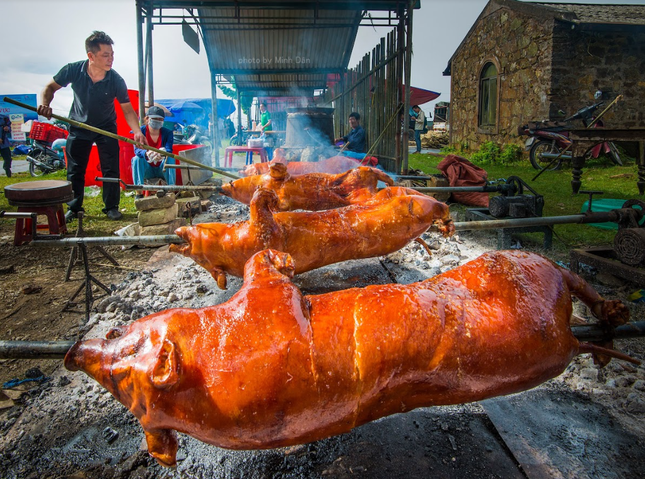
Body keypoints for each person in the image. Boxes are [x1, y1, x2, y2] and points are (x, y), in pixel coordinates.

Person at [37, 31, 146, 222]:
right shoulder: (73, 70)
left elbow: (128, 110)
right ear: (91, 56)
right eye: (105, 55)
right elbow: (49, 88)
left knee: (111, 168)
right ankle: (75, 207)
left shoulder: (116, 80)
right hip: (78, 125)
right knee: (75, 169)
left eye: (112, 54)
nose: (111, 59)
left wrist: (137, 131)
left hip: (106, 128)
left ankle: (111, 207)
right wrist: (45, 104)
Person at [131, 106, 175, 197]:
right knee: (136, 159)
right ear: (147, 118)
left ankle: (171, 190)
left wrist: (162, 154)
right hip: (147, 169)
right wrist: (146, 153)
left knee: (170, 158)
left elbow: (169, 150)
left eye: (160, 119)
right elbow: (137, 150)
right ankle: (139, 192)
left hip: (162, 169)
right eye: (155, 119)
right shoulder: (140, 132)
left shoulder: (167, 133)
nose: (157, 121)